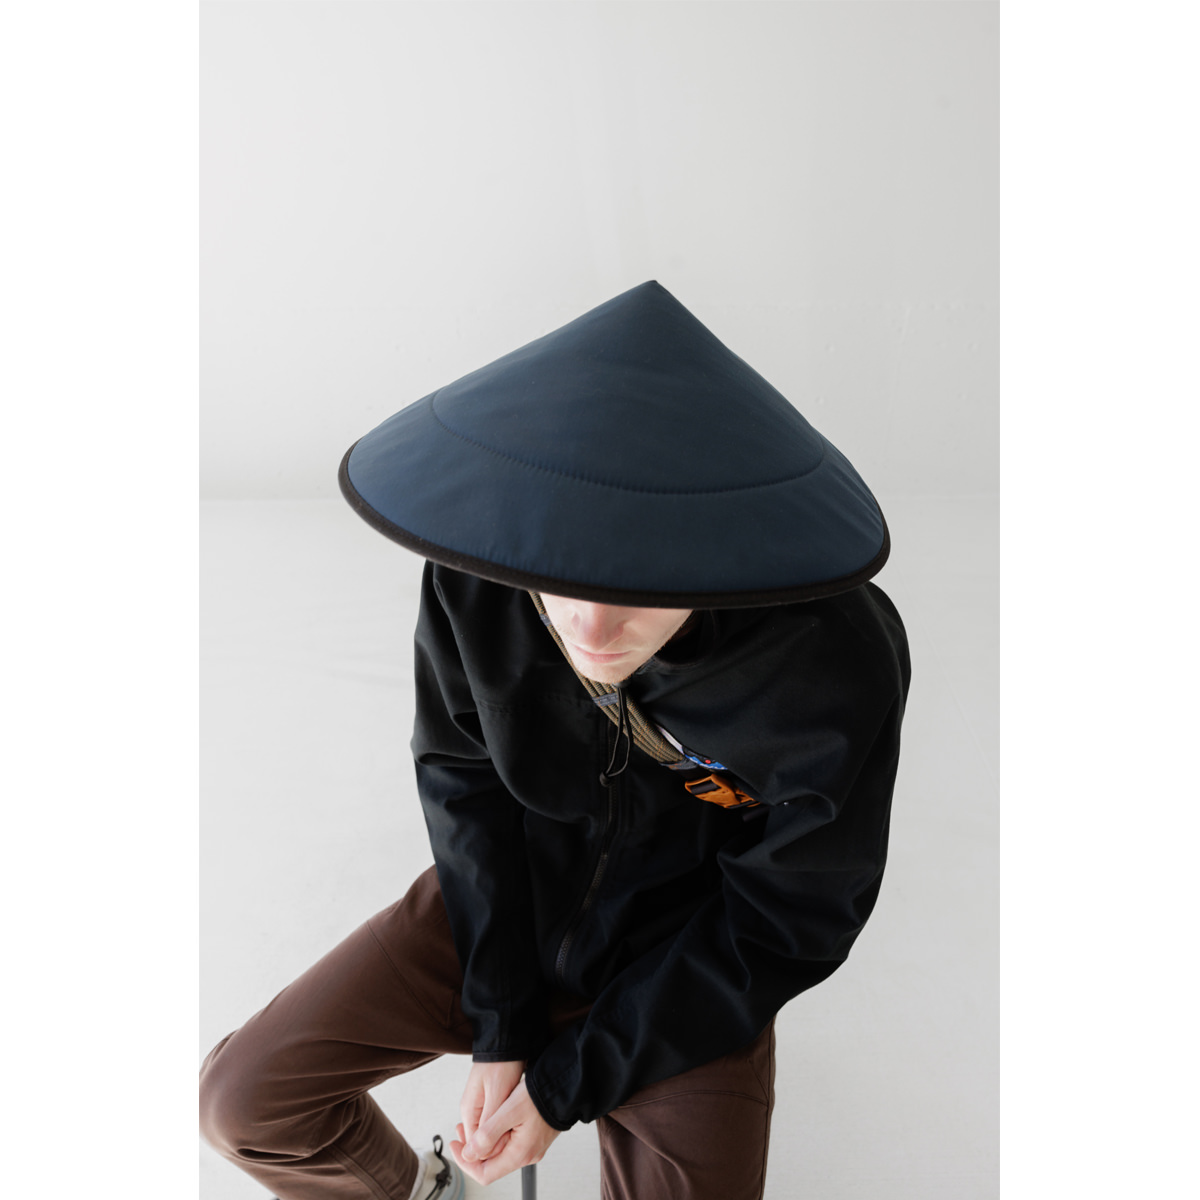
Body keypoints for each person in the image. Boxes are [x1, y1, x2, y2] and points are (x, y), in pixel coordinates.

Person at [199, 281, 911, 1200]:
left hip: (688, 963)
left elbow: (789, 916)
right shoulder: (483, 572)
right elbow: (462, 778)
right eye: (562, 582)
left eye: (642, 586)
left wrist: (563, 1084)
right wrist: (502, 1020)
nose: (594, 628)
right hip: (508, 906)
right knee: (241, 1103)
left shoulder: (828, 665)